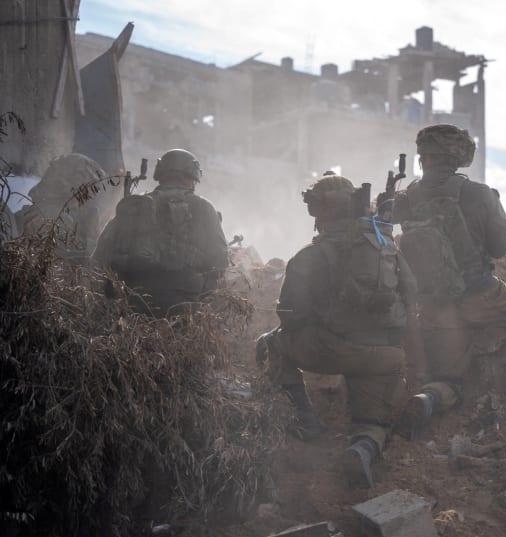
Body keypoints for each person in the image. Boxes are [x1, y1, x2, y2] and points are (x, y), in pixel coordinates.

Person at [392, 124, 506, 439]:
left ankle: (427, 399)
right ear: (458, 156)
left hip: (433, 307)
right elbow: (501, 247)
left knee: (451, 382)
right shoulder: (477, 193)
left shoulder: (405, 197)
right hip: (482, 296)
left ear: (424, 157)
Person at [256, 173, 417, 488]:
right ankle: (363, 447)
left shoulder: (309, 256)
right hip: (385, 357)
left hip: (332, 349)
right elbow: (412, 297)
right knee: (372, 423)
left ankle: (305, 420)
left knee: (272, 344)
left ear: (317, 212)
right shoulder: (386, 249)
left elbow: (289, 315)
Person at [93, 149, 228, 316]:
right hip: (185, 304)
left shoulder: (136, 204)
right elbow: (220, 261)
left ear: (160, 173)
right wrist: (204, 299)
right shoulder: (205, 208)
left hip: (134, 302)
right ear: (192, 177)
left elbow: (101, 255)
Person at [16, 153, 107, 258]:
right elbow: (69, 266)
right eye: (87, 192)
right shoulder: (56, 218)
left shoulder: (45, 210)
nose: (90, 198)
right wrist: (92, 240)